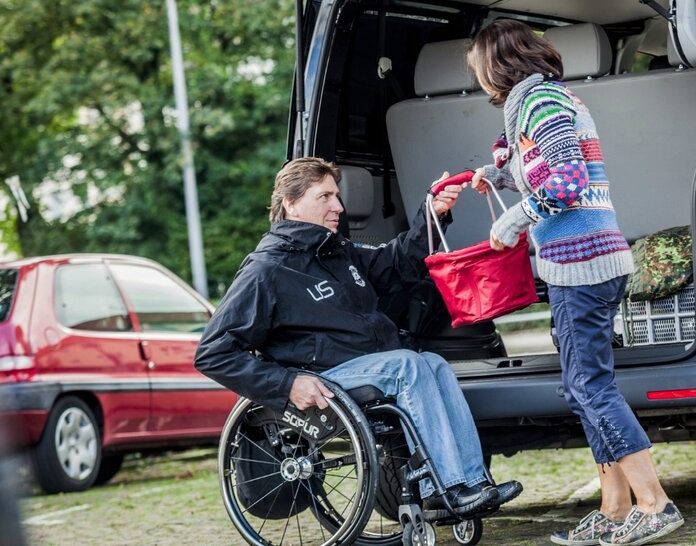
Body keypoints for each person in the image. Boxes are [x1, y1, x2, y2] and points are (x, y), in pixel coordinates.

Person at [194, 157, 521, 517]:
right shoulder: (266, 270)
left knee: (435, 363)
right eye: (325, 197)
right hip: (320, 378)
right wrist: (287, 384)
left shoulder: (335, 251)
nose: (338, 207)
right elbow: (213, 352)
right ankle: (443, 488)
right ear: (290, 203)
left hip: (366, 365)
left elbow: (396, 264)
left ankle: (473, 483)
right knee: (408, 366)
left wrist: (433, 213)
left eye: (337, 196)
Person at [466, 19, 683, 546]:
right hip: (577, 264)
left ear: (497, 61)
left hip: (584, 264)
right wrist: (496, 175)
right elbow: (547, 165)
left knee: (589, 386)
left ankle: (655, 504)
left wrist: (511, 220)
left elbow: (567, 181)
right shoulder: (537, 103)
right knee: (582, 386)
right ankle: (614, 511)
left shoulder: (542, 103)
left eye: (476, 63)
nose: (475, 74)